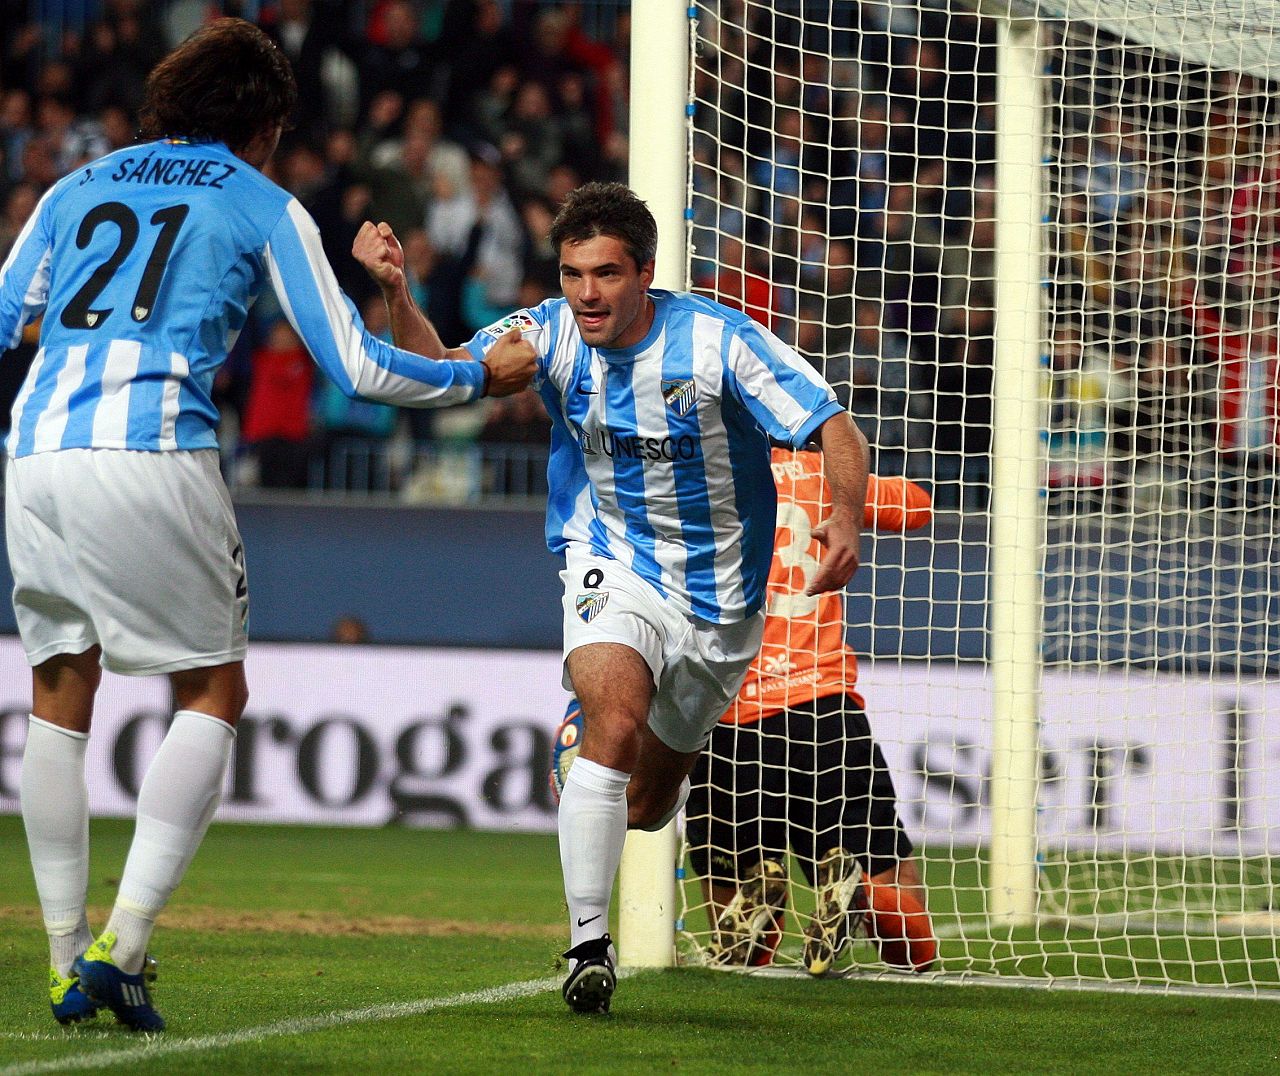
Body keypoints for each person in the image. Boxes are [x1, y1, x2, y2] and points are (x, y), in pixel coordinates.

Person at [0, 19, 539, 1034]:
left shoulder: (79, 184)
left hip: (32, 452)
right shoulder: (260, 201)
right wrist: (478, 373)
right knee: (212, 686)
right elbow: (358, 367)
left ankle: (67, 957)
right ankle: (122, 945)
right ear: (268, 124)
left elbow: (1, 314)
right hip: (151, 452)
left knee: (60, 690)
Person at [355, 181, 869, 1015]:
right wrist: (395, 292)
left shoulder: (718, 344)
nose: (586, 294)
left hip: (722, 602)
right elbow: (443, 372)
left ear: (646, 272)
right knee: (615, 720)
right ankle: (589, 945)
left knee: (647, 799)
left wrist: (845, 516)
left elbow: (832, 425)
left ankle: (587, 746)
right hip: (611, 561)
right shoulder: (547, 335)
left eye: (605, 274)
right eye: (571, 273)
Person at [686, 445, 937, 976]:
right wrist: (846, 496)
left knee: (728, 909)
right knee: (896, 882)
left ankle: (759, 904)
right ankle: (864, 895)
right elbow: (918, 507)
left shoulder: (688, 471)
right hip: (821, 712)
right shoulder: (824, 474)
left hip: (724, 717)